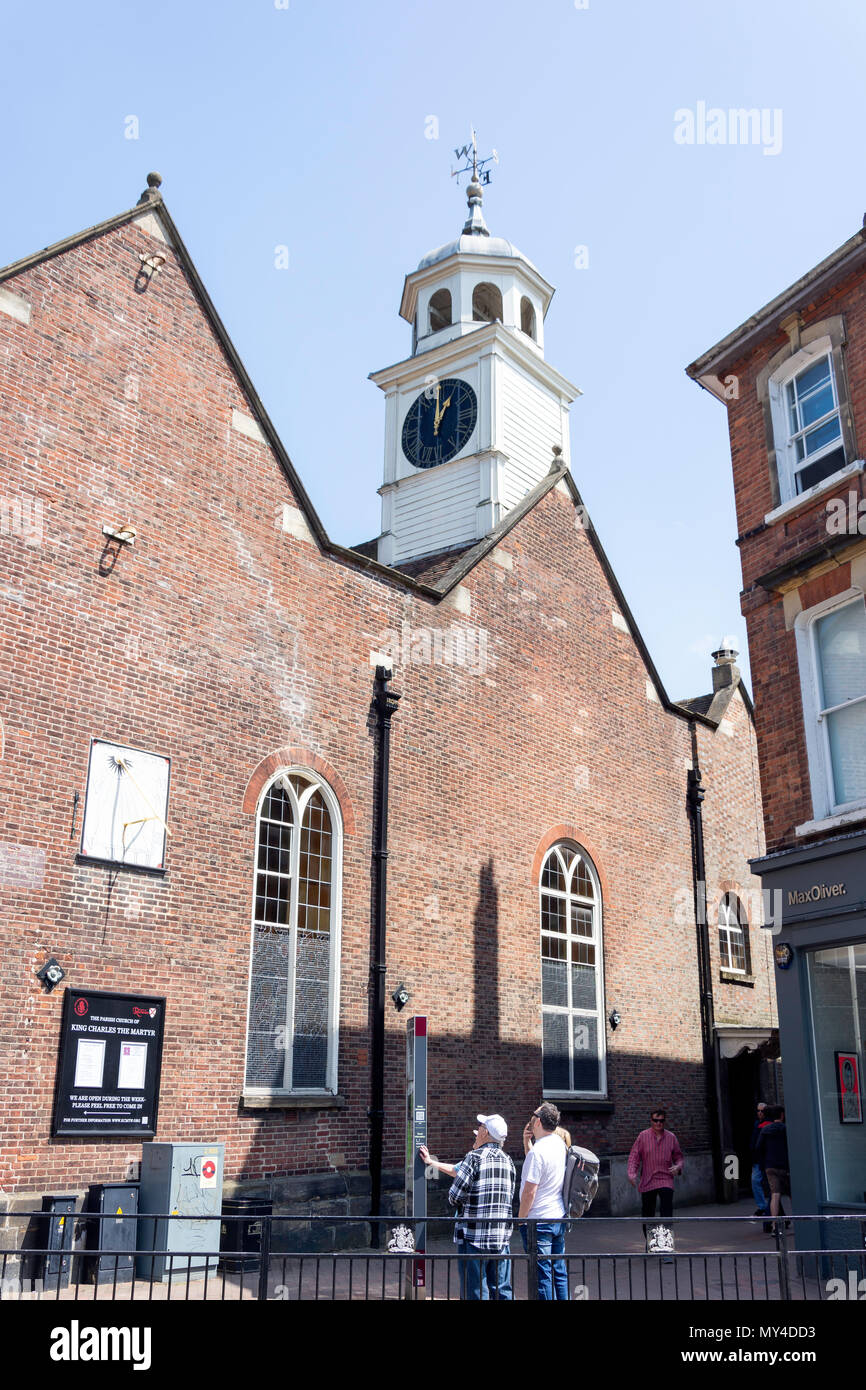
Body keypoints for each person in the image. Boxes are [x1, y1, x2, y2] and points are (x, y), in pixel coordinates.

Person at [420, 1113, 515, 1300]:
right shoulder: (508, 1161)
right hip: (501, 1237)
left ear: (485, 1132)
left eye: (479, 1128)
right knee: (502, 1289)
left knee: (476, 1290)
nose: (477, 1131)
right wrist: (432, 1162)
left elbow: (454, 1196)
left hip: (474, 1236)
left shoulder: (474, 1158)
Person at [518, 1101, 569, 1299]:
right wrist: (526, 1144)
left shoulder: (538, 1152)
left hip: (538, 1221)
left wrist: (521, 1219)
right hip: (557, 1216)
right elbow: (542, 1171)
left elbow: (530, 1191)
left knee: (542, 1276)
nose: (531, 1118)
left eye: (533, 1114)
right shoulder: (559, 1144)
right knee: (559, 1271)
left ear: (538, 1121)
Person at [627, 1108, 684, 1231]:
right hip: (648, 1179)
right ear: (651, 1120)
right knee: (648, 1213)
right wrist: (632, 1173)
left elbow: (679, 1157)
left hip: (665, 1178)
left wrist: (678, 1167)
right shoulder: (643, 1136)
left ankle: (666, 1240)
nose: (659, 1123)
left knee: (666, 1211)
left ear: (665, 1121)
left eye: (661, 1121)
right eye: (656, 1120)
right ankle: (649, 1242)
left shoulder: (671, 1137)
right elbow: (634, 1156)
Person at [755, 1104, 790, 1226]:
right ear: (782, 1115)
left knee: (775, 1195)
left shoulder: (765, 1130)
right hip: (785, 1166)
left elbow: (758, 1147)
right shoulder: (785, 1129)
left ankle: (775, 1225)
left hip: (770, 1166)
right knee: (792, 1195)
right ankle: (800, 1223)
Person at [750, 1100, 771, 1218]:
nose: (759, 1113)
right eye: (758, 1110)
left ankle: (769, 1208)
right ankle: (762, 1206)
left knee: (770, 1184)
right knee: (755, 1181)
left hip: (765, 1159)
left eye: (762, 1111)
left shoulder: (768, 1125)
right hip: (758, 1159)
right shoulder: (757, 1124)